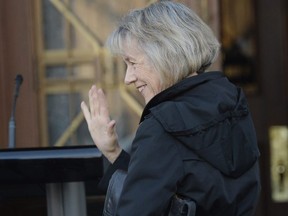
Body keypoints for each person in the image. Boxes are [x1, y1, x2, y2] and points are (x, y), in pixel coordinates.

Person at [81, 1, 261, 215]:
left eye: (133, 63)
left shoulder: (162, 125)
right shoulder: (232, 103)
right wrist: (113, 152)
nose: (127, 78)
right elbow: (185, 185)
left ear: (165, 54)